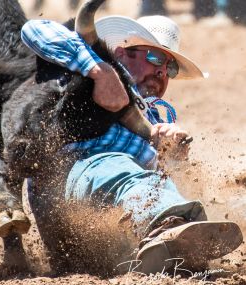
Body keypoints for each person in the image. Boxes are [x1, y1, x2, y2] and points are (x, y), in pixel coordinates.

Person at [20, 14, 243, 274]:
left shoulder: (159, 117)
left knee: (148, 180)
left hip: (103, 221)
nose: (161, 71)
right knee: (117, 166)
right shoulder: (88, 75)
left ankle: (168, 250)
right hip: (71, 183)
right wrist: (99, 71)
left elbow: (159, 179)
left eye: (169, 67)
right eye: (155, 58)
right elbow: (35, 29)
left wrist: (172, 155)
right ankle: (168, 227)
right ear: (121, 53)